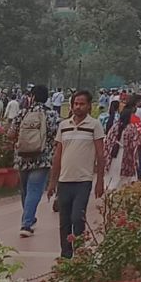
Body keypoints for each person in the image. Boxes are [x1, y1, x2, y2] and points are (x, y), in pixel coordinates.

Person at [46, 91, 104, 259]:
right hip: (64, 181)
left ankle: (79, 253)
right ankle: (66, 255)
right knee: (64, 221)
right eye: (75, 104)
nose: (78, 107)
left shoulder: (94, 125)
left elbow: (100, 155)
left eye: (82, 104)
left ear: (89, 106)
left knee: (77, 218)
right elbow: (58, 155)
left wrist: (100, 181)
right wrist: (52, 182)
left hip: (83, 181)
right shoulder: (64, 125)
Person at [10, 85, 60, 238]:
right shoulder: (51, 114)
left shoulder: (22, 113)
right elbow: (57, 135)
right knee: (34, 190)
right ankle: (27, 223)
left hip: (22, 157)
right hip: (42, 158)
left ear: (31, 96)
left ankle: (28, 218)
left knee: (25, 190)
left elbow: (11, 133)